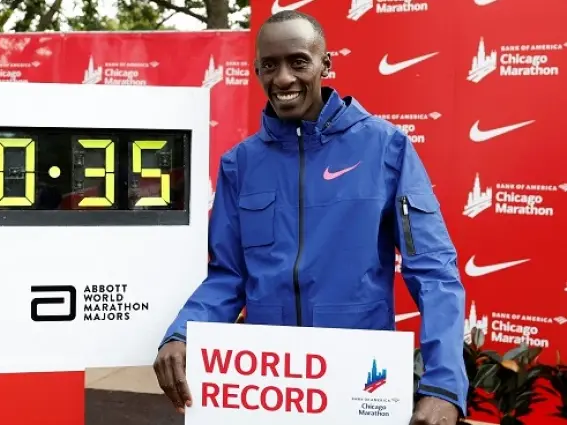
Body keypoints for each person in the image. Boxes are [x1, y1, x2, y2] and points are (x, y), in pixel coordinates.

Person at [153, 10, 467, 425]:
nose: (283, 78)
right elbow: (229, 275)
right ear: (257, 71)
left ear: (325, 64)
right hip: (270, 387)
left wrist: (444, 384)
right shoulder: (239, 164)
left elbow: (433, 271)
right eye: (269, 65)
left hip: (360, 385)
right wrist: (183, 331)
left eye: (298, 62)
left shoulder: (386, 148)